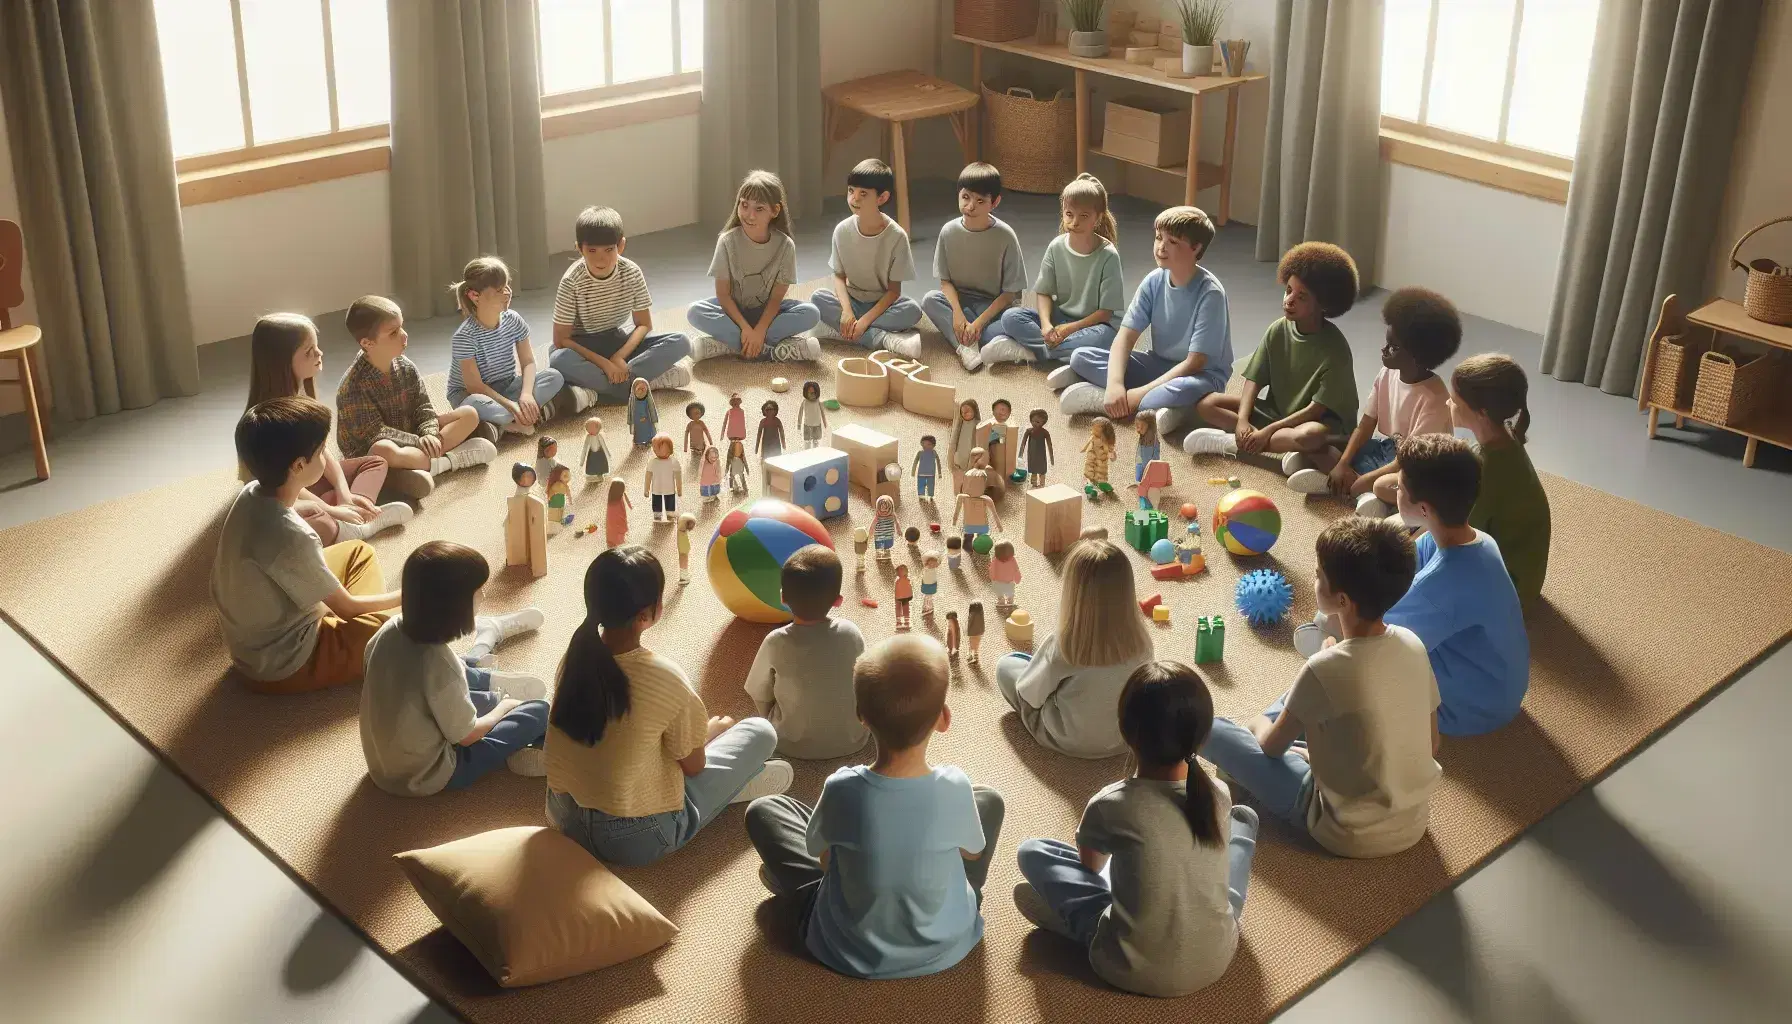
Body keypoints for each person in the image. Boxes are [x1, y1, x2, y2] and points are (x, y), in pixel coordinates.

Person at [744, 635, 1006, 979]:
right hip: (948, 940)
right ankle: (952, 895)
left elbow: (824, 861)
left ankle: (797, 889)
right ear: (944, 718)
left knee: (764, 811)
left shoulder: (841, 788)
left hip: (850, 947)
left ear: (861, 717)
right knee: (988, 800)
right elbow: (972, 854)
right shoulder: (954, 786)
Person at [1014, 660, 1258, 998]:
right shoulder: (1218, 794)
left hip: (1124, 967)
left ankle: (1074, 924)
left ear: (1126, 731)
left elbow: (1091, 868)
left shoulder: (1111, 803)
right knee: (1243, 821)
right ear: (1201, 736)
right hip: (1218, 956)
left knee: (1032, 852)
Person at [1204, 517, 1442, 857]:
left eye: (1318, 575)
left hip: (1343, 829)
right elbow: (1431, 743)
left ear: (1342, 600)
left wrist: (1257, 724)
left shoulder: (1324, 668)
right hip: (1411, 822)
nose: (1313, 580)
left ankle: (1238, 771)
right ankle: (1250, 766)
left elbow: (1270, 748)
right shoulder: (1412, 643)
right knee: (1309, 701)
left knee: (1214, 728)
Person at [545, 547, 793, 866]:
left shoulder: (572, 659)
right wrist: (708, 733)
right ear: (647, 614)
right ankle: (734, 785)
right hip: (633, 838)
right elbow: (693, 765)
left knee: (641, 747)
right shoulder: (664, 677)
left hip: (564, 817)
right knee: (761, 732)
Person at [1328, 434, 1529, 736]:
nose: (1394, 489)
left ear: (1423, 509)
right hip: (1498, 683)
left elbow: (1369, 639)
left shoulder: (1441, 587)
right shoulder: (1478, 540)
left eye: (1399, 487)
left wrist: (1333, 643)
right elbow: (1406, 562)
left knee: (1337, 638)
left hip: (1471, 708)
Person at [212, 397, 404, 693]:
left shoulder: (253, 492)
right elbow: (349, 609)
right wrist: (406, 595)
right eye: (321, 452)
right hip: (283, 662)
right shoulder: (290, 537)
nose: (327, 459)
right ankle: (370, 631)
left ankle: (343, 611)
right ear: (299, 465)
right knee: (395, 632)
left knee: (358, 552)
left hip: (254, 639)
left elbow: (291, 510)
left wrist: (337, 509)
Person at [359, 541, 550, 795]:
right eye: (477, 592)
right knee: (540, 710)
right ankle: (497, 692)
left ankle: (488, 650)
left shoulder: (389, 628)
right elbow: (467, 736)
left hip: (381, 768)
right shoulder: (440, 664)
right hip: (430, 775)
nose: (483, 596)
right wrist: (505, 708)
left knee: (450, 676)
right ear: (454, 606)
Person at [1050, 206, 1231, 437]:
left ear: (1196, 248)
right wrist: (1115, 383)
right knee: (1081, 356)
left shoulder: (1210, 293)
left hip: (1201, 376)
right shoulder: (1154, 281)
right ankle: (1149, 405)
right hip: (1158, 366)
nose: (1161, 247)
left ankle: (1109, 400)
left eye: (1172, 242)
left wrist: (1140, 393)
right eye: (1158, 238)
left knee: (1181, 390)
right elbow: (1125, 337)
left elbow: (1194, 363)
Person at [1184, 242, 1361, 476]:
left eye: (1302, 297)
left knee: (1309, 436)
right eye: (1288, 290)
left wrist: (1266, 433)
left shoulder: (1335, 349)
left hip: (1322, 427)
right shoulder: (1278, 329)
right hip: (1278, 414)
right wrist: (1243, 421)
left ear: (1323, 305)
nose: (1289, 300)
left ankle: (1231, 445)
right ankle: (1297, 453)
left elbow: (1315, 411)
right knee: (1207, 404)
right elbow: (1253, 380)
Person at [243, 313, 411, 544]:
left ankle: (353, 512)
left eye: (317, 346)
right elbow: (285, 487)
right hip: (284, 494)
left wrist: (344, 494)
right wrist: (330, 510)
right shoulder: (270, 421)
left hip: (308, 474)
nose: (319, 353)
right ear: (281, 362)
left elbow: (321, 450)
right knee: (315, 522)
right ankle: (354, 526)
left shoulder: (301, 395)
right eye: (308, 351)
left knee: (375, 462)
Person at [995, 538, 1154, 758]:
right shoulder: (1142, 640)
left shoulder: (1065, 644)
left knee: (1007, 664)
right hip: (1123, 739)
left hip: (1064, 739)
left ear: (1072, 591)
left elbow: (1029, 694)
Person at [336, 295, 496, 500]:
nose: (404, 336)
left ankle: (423, 465)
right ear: (367, 343)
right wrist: (420, 441)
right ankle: (447, 461)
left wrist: (428, 433)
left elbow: (423, 408)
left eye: (402, 327)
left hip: (414, 437)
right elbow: (375, 435)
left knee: (469, 413)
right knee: (383, 449)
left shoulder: (406, 367)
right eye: (393, 333)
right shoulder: (352, 387)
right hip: (378, 451)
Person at [1320, 288, 1460, 514]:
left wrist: (1363, 481)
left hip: (1417, 467)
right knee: (1321, 442)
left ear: (1418, 354)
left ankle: (1363, 491)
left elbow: (1406, 463)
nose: (1384, 350)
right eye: (1386, 343)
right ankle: (1353, 485)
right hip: (1388, 449)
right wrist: (1342, 463)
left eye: (1393, 347)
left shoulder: (1434, 400)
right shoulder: (1387, 373)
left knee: (1385, 484)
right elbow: (1365, 425)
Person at [548, 206, 693, 401]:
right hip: (582, 347)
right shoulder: (571, 281)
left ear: (621, 245)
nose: (601, 258)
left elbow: (644, 324)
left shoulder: (631, 272)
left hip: (617, 341)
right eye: (592, 250)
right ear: (579, 248)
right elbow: (561, 340)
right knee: (559, 360)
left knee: (681, 341)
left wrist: (618, 357)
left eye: (609, 249)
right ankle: (639, 384)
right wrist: (605, 365)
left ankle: (601, 391)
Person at [743, 545, 869, 759]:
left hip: (789, 744)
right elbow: (867, 681)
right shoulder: (851, 632)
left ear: (782, 598)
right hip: (853, 739)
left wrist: (769, 720)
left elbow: (757, 691)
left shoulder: (775, 641)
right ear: (838, 601)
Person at [687, 169, 822, 363]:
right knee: (695, 311)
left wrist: (759, 330)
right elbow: (723, 295)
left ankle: (726, 345)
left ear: (775, 211)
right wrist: (746, 328)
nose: (749, 215)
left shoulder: (785, 246)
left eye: (759, 209)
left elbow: (776, 298)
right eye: (744, 205)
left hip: (767, 313)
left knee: (811, 313)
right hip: (733, 312)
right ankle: (771, 350)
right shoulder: (726, 242)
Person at [1452, 353, 1550, 608]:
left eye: (1454, 400)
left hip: (1510, 593)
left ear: (1482, 412)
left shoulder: (1488, 471)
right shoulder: (1507, 440)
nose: (1448, 405)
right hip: (1524, 578)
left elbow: (1455, 536)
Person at [998, 173, 1123, 366]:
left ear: (1097, 218)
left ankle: (1031, 352)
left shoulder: (1108, 255)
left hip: (1093, 325)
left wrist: (1068, 330)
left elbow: (1104, 314)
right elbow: (1044, 292)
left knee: (1106, 339)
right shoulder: (1056, 247)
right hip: (1059, 319)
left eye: (1084, 216)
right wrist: (1047, 325)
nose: (1074, 222)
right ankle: (1066, 357)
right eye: (1069, 214)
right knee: (1010, 317)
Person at [446, 256, 580, 435]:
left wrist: (525, 394)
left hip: (507, 386)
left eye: (507, 286)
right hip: (472, 395)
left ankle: (502, 425)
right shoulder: (464, 337)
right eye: (499, 290)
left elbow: (528, 362)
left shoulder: (513, 320)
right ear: (474, 296)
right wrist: (511, 406)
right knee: (473, 405)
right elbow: (475, 387)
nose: (507, 293)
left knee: (554, 376)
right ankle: (528, 415)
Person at [811, 159, 924, 357]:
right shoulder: (842, 231)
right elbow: (838, 277)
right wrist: (846, 311)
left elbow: (893, 292)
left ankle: (839, 331)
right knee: (817, 298)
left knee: (913, 311)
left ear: (882, 197)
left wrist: (863, 321)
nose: (854, 198)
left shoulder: (897, 237)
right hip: (853, 300)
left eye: (863, 193)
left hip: (882, 303)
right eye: (851, 190)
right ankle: (884, 339)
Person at [920, 162, 1026, 372]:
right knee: (930, 300)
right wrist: (958, 314)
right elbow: (945, 281)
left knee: (1012, 320)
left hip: (992, 306)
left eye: (980, 201)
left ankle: (974, 337)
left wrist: (977, 323)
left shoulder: (1006, 236)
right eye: (966, 197)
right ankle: (966, 348)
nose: (970, 206)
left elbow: (1011, 293)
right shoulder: (948, 232)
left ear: (994, 202)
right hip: (960, 302)